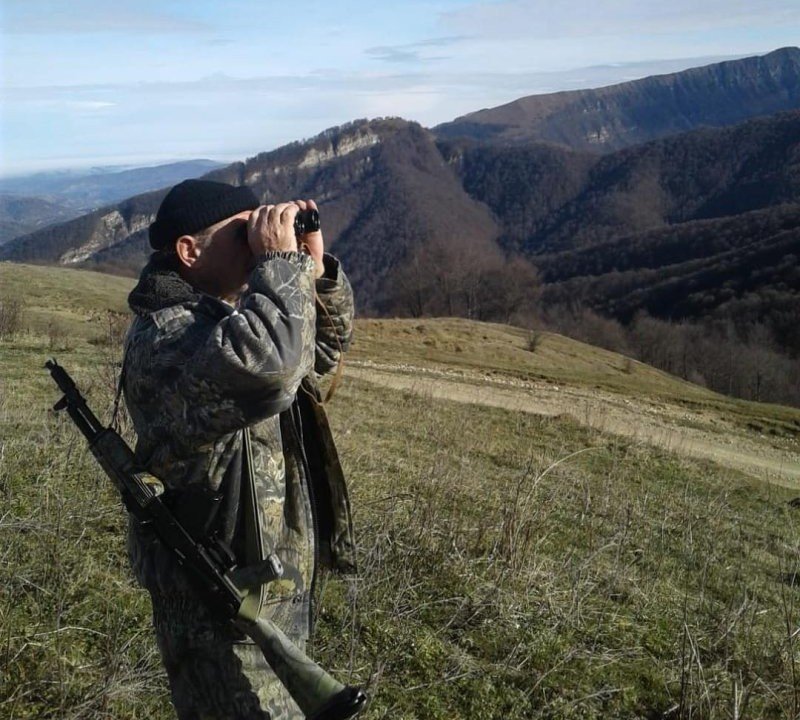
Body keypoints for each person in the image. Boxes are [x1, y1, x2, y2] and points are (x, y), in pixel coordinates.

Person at [122, 179, 357, 719]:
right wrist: (278, 268)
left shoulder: (228, 317)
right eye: (241, 233)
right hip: (220, 608)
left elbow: (313, 368)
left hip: (268, 588)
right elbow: (273, 372)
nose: (257, 242)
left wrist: (315, 277)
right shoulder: (167, 340)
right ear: (189, 251)